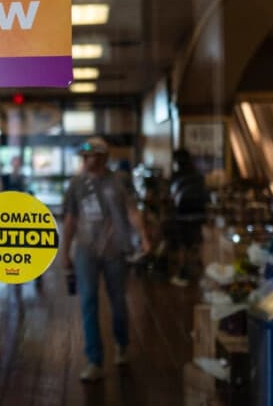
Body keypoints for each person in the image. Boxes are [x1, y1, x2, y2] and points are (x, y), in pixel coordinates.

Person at [61, 137, 150, 382]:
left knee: (118, 300)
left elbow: (132, 211)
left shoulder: (119, 181)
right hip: (85, 250)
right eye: (85, 155)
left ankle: (122, 343)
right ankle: (94, 360)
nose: (87, 159)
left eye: (91, 155)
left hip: (116, 249)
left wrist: (143, 236)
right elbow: (70, 219)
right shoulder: (76, 184)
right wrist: (65, 251)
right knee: (88, 301)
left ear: (103, 156)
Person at [166, 148, 208, 287]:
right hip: (200, 216)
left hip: (182, 216)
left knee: (183, 245)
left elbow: (171, 198)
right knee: (196, 243)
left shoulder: (176, 177)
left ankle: (183, 273)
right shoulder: (198, 176)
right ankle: (200, 272)